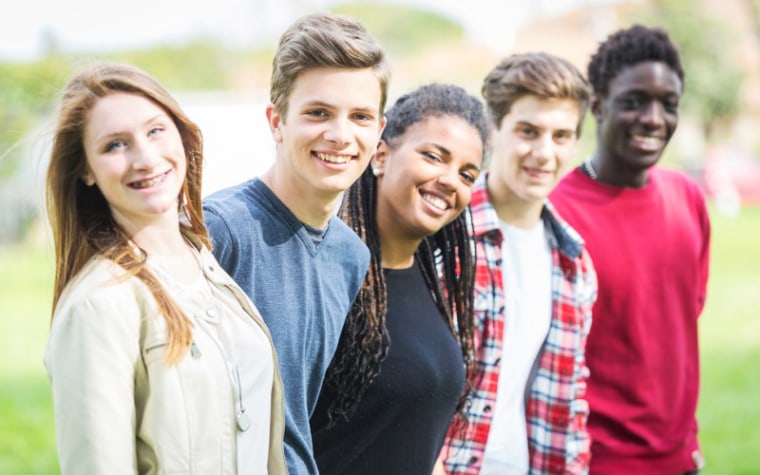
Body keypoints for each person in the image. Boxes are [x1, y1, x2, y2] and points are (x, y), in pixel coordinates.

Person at [43, 62, 287, 474]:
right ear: (85, 169)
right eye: (115, 145)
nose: (146, 157)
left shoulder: (208, 266)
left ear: (181, 134)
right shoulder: (97, 306)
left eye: (155, 130)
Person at [202, 12, 389, 474]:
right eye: (318, 113)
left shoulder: (352, 255)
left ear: (379, 131)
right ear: (277, 121)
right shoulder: (220, 230)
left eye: (360, 117)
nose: (340, 135)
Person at [550, 25, 711, 474]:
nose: (654, 119)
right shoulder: (556, 215)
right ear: (597, 105)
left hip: (681, 460)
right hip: (596, 462)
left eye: (668, 104)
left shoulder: (688, 197)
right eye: (635, 102)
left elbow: (680, 324)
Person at [309, 83, 488, 475]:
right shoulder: (323, 278)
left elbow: (416, 441)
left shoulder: (432, 282)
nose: (450, 180)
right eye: (433, 156)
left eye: (467, 174)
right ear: (381, 155)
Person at [439, 53, 597, 474]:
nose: (544, 153)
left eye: (561, 135)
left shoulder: (573, 260)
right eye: (528, 131)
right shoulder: (444, 238)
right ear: (493, 130)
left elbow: (570, 393)